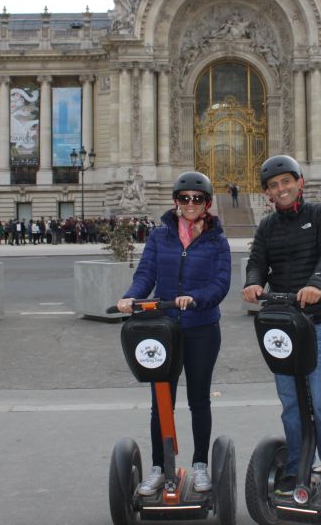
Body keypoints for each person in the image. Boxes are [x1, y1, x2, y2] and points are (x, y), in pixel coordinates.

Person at [242, 154, 321, 502]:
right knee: (290, 402)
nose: (281, 189)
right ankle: (296, 467)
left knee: (320, 400)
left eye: (286, 181)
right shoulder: (267, 227)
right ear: (268, 194)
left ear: (300, 182)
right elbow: (258, 261)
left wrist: (317, 282)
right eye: (274, 186)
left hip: (316, 321)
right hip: (283, 325)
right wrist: (253, 283)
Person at [117, 171, 231, 497]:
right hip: (164, 328)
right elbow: (146, 274)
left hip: (202, 328)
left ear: (207, 204)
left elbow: (220, 283)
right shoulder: (159, 237)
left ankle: (199, 465)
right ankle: (158, 467)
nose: (190, 204)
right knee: (161, 402)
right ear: (175, 202)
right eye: (184, 199)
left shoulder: (217, 241)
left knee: (198, 400)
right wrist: (131, 297)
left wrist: (197, 298)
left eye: (197, 199)